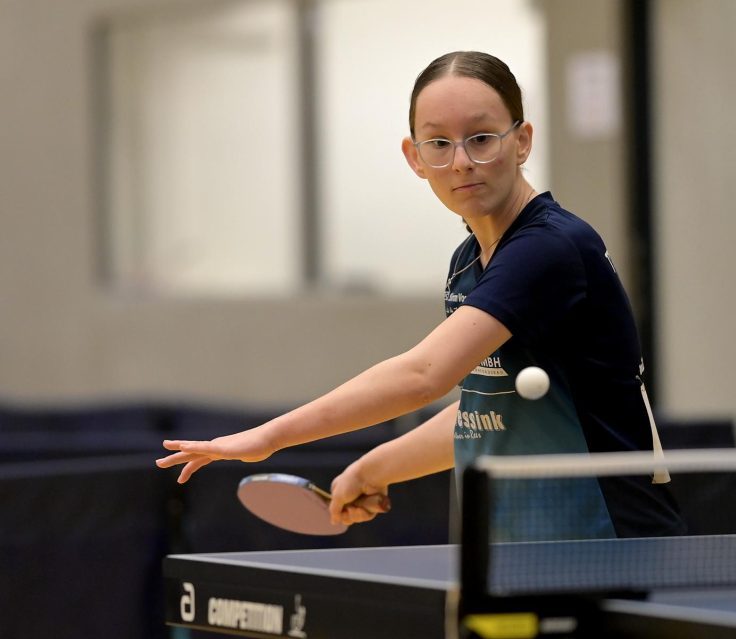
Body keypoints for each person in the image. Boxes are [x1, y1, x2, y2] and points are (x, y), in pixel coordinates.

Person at [157, 51, 685, 541]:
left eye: (482, 137)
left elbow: (422, 376)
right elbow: (487, 410)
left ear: (522, 140)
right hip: (519, 546)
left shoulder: (551, 248)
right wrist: (375, 466)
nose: (461, 162)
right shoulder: (468, 263)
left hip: (609, 543)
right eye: (438, 143)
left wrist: (270, 437)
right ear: (414, 156)